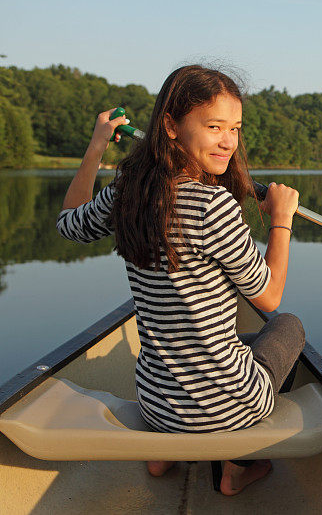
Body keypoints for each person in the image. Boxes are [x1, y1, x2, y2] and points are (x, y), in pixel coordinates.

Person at [57, 65, 305, 496]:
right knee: (288, 327)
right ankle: (236, 467)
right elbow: (268, 295)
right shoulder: (215, 206)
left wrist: (97, 145)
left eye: (235, 128)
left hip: (158, 407)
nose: (228, 141)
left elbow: (68, 224)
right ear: (171, 126)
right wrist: (281, 221)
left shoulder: (126, 193)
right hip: (226, 408)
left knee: (215, 342)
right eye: (214, 127)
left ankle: (163, 451)